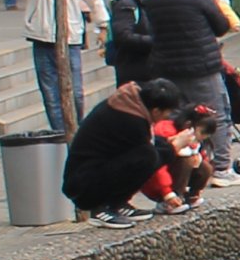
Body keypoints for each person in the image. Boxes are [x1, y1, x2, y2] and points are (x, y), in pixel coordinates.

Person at [143, 0, 238, 173]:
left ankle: (177, 167)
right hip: (202, 66)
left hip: (166, 68)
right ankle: (222, 167)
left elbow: (149, 33)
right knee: (215, 114)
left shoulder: (152, 0)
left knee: (174, 118)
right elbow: (221, 26)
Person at [18, 0, 106, 134]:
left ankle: (76, 129)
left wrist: (102, 24)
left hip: (69, 38)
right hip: (40, 38)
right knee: (50, 92)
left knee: (74, 91)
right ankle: (60, 132)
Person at [63, 76, 187, 222]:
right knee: (148, 157)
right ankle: (100, 210)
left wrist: (168, 144)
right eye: (168, 112)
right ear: (156, 111)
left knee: (148, 154)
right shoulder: (131, 119)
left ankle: (118, 204)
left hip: (91, 175)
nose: (168, 117)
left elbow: (150, 142)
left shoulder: (132, 105)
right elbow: (151, 156)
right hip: (84, 186)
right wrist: (174, 147)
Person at [105, 0, 160, 87]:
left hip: (150, 72)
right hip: (133, 75)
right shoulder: (127, 5)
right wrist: (154, 41)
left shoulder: (150, 3)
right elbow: (123, 36)